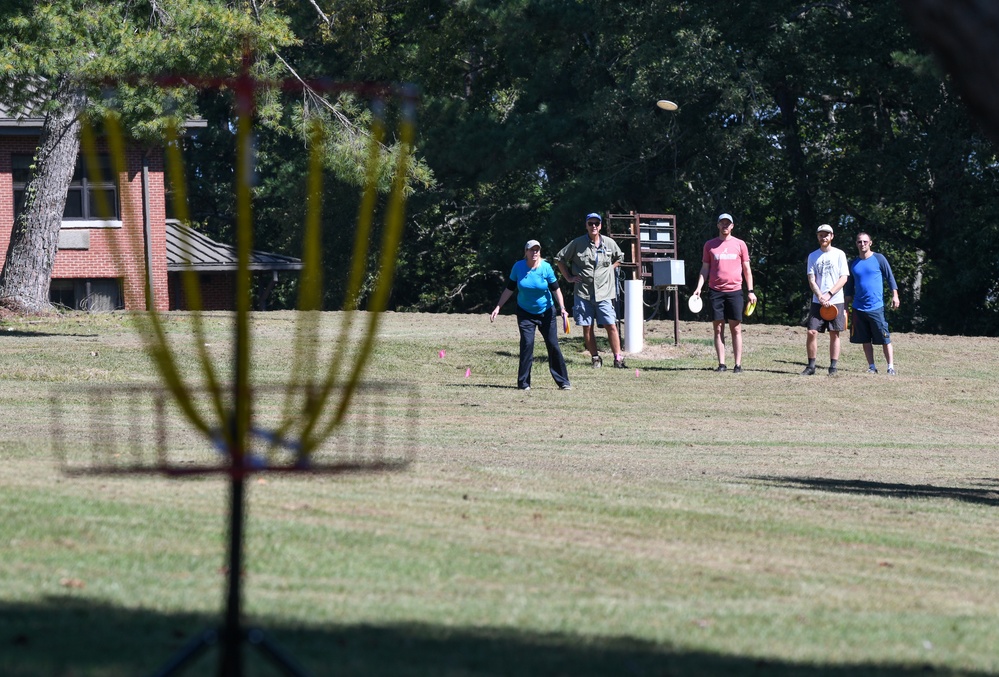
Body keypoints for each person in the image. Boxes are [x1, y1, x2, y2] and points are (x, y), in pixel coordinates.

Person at [490, 240, 572, 391]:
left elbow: (556, 289)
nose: (534, 253)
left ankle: (563, 382)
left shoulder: (546, 267)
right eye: (531, 250)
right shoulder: (518, 267)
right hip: (525, 312)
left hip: (546, 312)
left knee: (553, 344)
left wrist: (562, 308)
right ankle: (524, 383)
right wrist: (498, 307)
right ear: (526, 252)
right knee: (527, 344)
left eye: (537, 250)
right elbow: (509, 289)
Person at [555, 212, 626, 368]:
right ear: (586, 225)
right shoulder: (577, 243)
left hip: (604, 292)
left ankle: (618, 358)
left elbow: (620, 257)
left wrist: (611, 269)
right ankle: (595, 358)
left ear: (600, 225)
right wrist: (568, 277)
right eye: (590, 223)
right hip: (583, 292)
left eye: (596, 223)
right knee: (587, 327)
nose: (593, 226)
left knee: (611, 325)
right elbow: (559, 258)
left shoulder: (609, 242)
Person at [692, 213, 758, 373]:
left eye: (728, 224)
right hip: (716, 291)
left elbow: (747, 270)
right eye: (722, 223)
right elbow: (705, 268)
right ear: (718, 225)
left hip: (735, 291)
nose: (725, 226)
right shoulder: (710, 245)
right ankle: (721, 364)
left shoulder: (740, 244)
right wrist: (699, 287)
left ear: (732, 226)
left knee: (736, 328)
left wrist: (750, 291)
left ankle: (738, 365)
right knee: (718, 328)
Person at [844, 232, 900, 375]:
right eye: (859, 242)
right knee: (865, 339)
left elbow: (890, 277)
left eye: (865, 241)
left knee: (884, 338)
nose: (862, 244)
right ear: (856, 244)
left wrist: (895, 295)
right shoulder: (852, 264)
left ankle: (890, 367)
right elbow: (849, 288)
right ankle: (872, 366)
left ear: (870, 243)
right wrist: (845, 308)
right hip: (858, 307)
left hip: (876, 307)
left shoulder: (879, 259)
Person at [803, 224, 850, 375]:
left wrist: (829, 295)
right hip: (818, 301)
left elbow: (844, 277)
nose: (823, 237)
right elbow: (811, 279)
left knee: (834, 333)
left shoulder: (839, 254)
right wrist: (820, 296)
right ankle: (811, 366)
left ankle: (833, 367)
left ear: (832, 236)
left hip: (836, 300)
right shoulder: (813, 256)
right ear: (817, 237)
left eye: (826, 234)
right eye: (821, 235)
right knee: (812, 332)